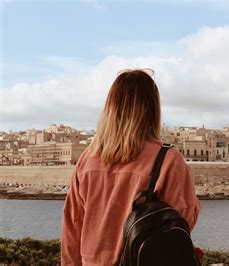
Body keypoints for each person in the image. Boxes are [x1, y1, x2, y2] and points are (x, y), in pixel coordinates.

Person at [61, 69, 201, 265]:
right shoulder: (169, 160)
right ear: (152, 109)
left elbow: (72, 226)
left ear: (111, 108)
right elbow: (182, 221)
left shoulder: (87, 159)